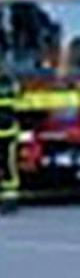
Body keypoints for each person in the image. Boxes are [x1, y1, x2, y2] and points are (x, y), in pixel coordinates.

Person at [0, 64, 19, 215]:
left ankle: (10, 199)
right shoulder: (11, 83)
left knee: (8, 167)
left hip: (7, 133)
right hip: (9, 131)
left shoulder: (8, 83)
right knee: (8, 167)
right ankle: (9, 199)